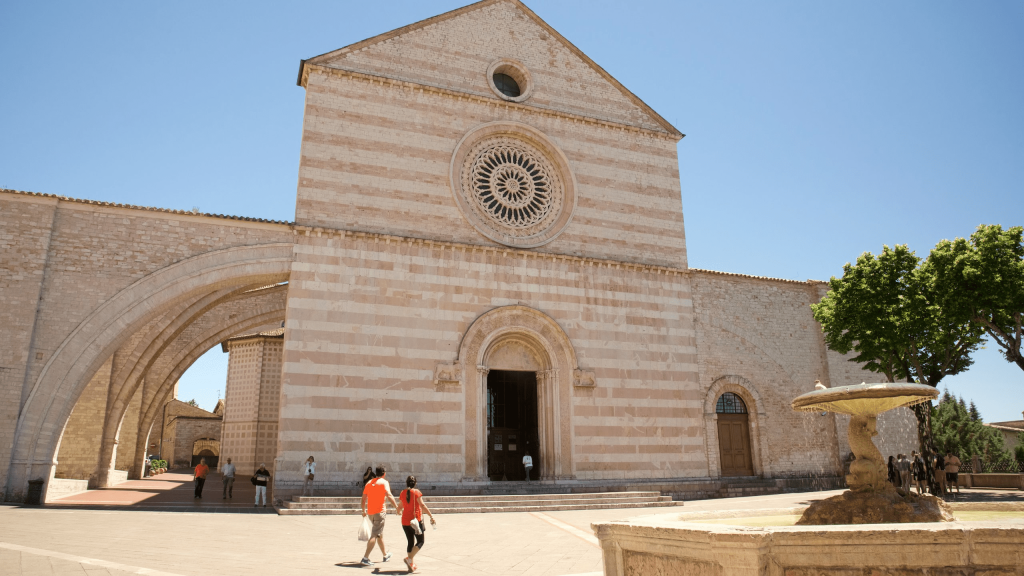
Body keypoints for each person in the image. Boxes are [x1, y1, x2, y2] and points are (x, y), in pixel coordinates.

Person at [360, 466, 399, 567]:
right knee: (374, 535)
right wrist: (397, 507)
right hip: (379, 512)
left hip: (370, 513)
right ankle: (365, 557)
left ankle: (385, 555)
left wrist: (363, 510)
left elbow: (363, 499)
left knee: (379, 534)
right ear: (384, 473)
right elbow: (389, 495)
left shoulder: (369, 483)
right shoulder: (384, 482)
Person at [397, 475, 435, 573]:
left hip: (405, 521)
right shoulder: (417, 492)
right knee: (420, 541)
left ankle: (411, 564)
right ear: (415, 483)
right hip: (416, 521)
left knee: (410, 542)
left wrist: (398, 511)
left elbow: (400, 506)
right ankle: (409, 560)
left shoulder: (402, 493)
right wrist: (431, 516)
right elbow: (422, 505)